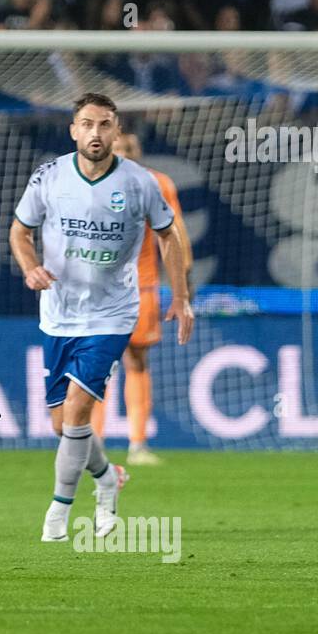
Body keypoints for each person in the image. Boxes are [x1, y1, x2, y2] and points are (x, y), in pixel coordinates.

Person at [8, 93, 193, 544]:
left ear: (117, 131)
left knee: (76, 410)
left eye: (104, 125)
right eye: (86, 124)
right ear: (73, 130)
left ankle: (58, 511)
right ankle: (107, 476)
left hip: (112, 313)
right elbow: (19, 231)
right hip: (58, 313)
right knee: (62, 423)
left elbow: (169, 236)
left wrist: (181, 296)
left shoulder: (140, 182)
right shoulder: (49, 177)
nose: (95, 133)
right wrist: (29, 266)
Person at [89, 133, 192, 466]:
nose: (122, 154)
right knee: (98, 365)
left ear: (138, 152)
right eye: (117, 148)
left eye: (128, 149)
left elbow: (175, 233)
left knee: (136, 360)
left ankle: (138, 444)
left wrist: (182, 280)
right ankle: (95, 442)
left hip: (142, 286)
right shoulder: (88, 184)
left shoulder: (157, 184)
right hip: (99, 288)